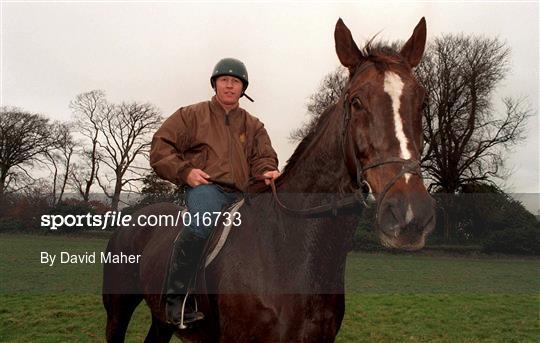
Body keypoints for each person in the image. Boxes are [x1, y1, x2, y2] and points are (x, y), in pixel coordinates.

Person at [149, 57, 280, 327]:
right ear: (215, 84)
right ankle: (177, 300)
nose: (230, 86)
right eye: (224, 81)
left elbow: (264, 157)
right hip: (208, 189)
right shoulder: (191, 115)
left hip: (244, 194)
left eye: (235, 82)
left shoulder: (254, 125)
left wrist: (267, 170)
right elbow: (161, 147)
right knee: (201, 223)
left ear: (243, 88)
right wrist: (185, 172)